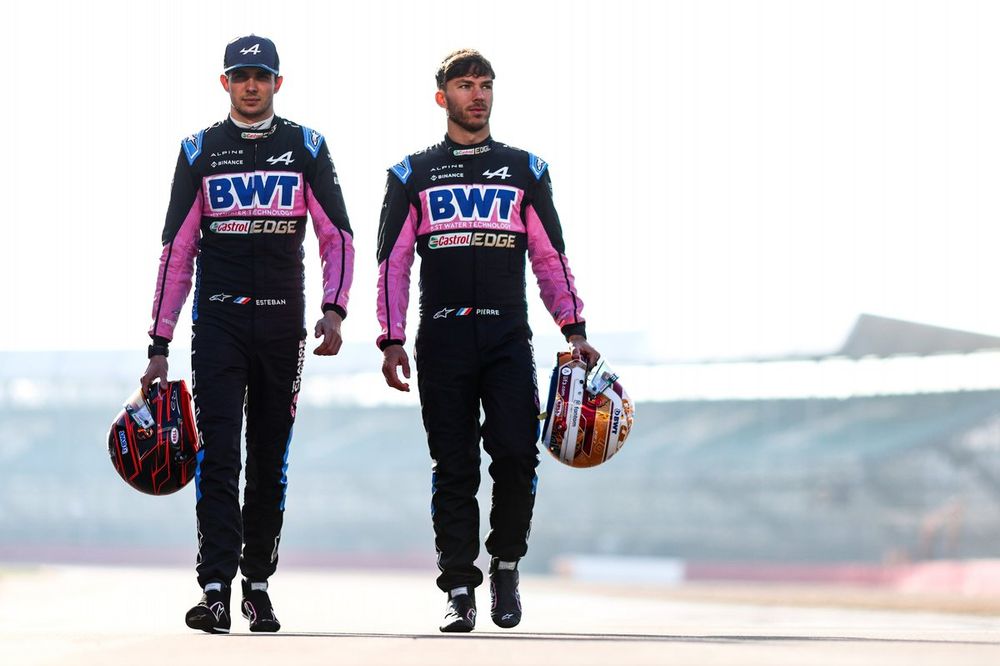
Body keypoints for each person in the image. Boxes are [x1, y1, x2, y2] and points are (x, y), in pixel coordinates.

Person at [376, 49, 600, 632]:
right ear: (441, 96)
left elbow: (551, 259)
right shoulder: (410, 174)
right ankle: (458, 588)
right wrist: (392, 339)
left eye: (486, 85)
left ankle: (504, 564)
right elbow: (394, 264)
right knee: (453, 469)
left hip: (507, 335)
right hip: (442, 337)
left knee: (517, 457)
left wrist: (573, 330)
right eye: (464, 85)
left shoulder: (527, 169)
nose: (477, 95)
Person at [139, 34, 354, 634]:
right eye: (241, 76)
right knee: (218, 457)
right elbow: (176, 253)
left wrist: (335, 310)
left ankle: (257, 585)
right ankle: (214, 590)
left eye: (261, 76)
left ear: (278, 83)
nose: (251, 85)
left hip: (284, 323)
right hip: (219, 323)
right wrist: (158, 344)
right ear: (225, 84)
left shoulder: (307, 147)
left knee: (268, 460)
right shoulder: (198, 150)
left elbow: (337, 237)